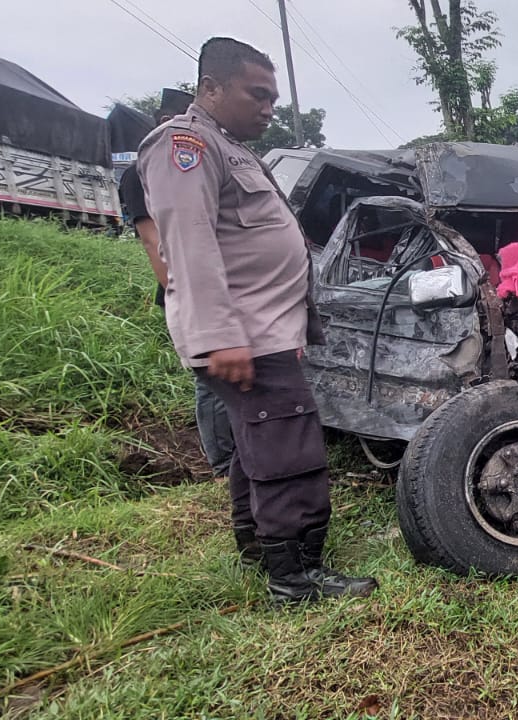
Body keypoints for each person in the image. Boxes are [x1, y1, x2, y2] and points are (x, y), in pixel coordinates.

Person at [138, 37, 376, 604]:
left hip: (263, 330)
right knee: (290, 450)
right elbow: (189, 245)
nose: (269, 108)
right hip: (244, 333)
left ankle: (257, 544)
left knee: (258, 446)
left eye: (274, 96)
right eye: (258, 94)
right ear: (211, 88)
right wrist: (221, 337)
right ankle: (296, 577)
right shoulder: (185, 145)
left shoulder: (228, 147)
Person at [118, 89, 242, 563]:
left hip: (207, 290)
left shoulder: (202, 159)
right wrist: (183, 294)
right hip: (187, 291)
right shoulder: (145, 170)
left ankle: (233, 458)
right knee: (209, 384)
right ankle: (221, 464)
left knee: (221, 384)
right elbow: (155, 240)